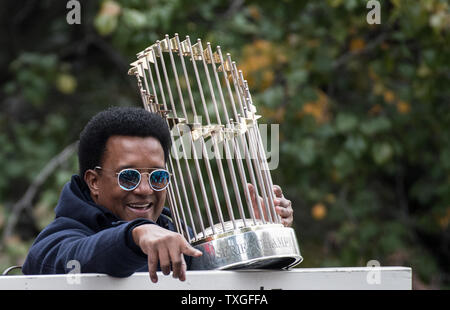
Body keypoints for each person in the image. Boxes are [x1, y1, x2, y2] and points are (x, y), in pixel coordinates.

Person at [22, 106, 294, 283]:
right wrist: (135, 235)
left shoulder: (176, 236)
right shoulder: (57, 241)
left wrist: (265, 238)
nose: (144, 190)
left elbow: (241, 292)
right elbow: (74, 258)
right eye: (128, 177)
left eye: (157, 177)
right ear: (93, 181)